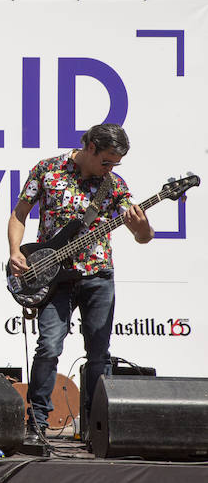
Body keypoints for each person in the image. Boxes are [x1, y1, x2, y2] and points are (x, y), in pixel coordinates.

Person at [8, 123, 153, 438]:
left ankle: (95, 427)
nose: (110, 168)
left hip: (98, 276)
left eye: (116, 163)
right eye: (106, 161)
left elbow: (142, 236)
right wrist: (15, 251)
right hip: (53, 276)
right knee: (48, 346)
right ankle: (38, 423)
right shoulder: (47, 170)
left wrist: (143, 228)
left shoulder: (114, 184)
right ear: (90, 147)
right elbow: (19, 213)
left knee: (99, 354)